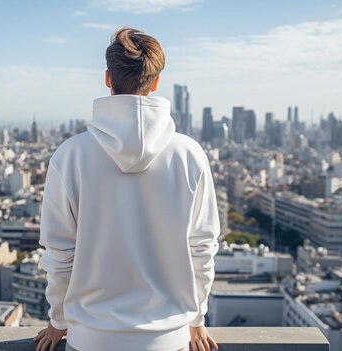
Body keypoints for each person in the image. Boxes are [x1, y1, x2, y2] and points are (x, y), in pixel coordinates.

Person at [33, 27, 221, 351]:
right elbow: (201, 249)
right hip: (169, 338)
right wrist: (196, 318)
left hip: (90, 338)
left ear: (108, 78)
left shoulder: (71, 155)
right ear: (156, 81)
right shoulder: (189, 155)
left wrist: (58, 321)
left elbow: (59, 254)